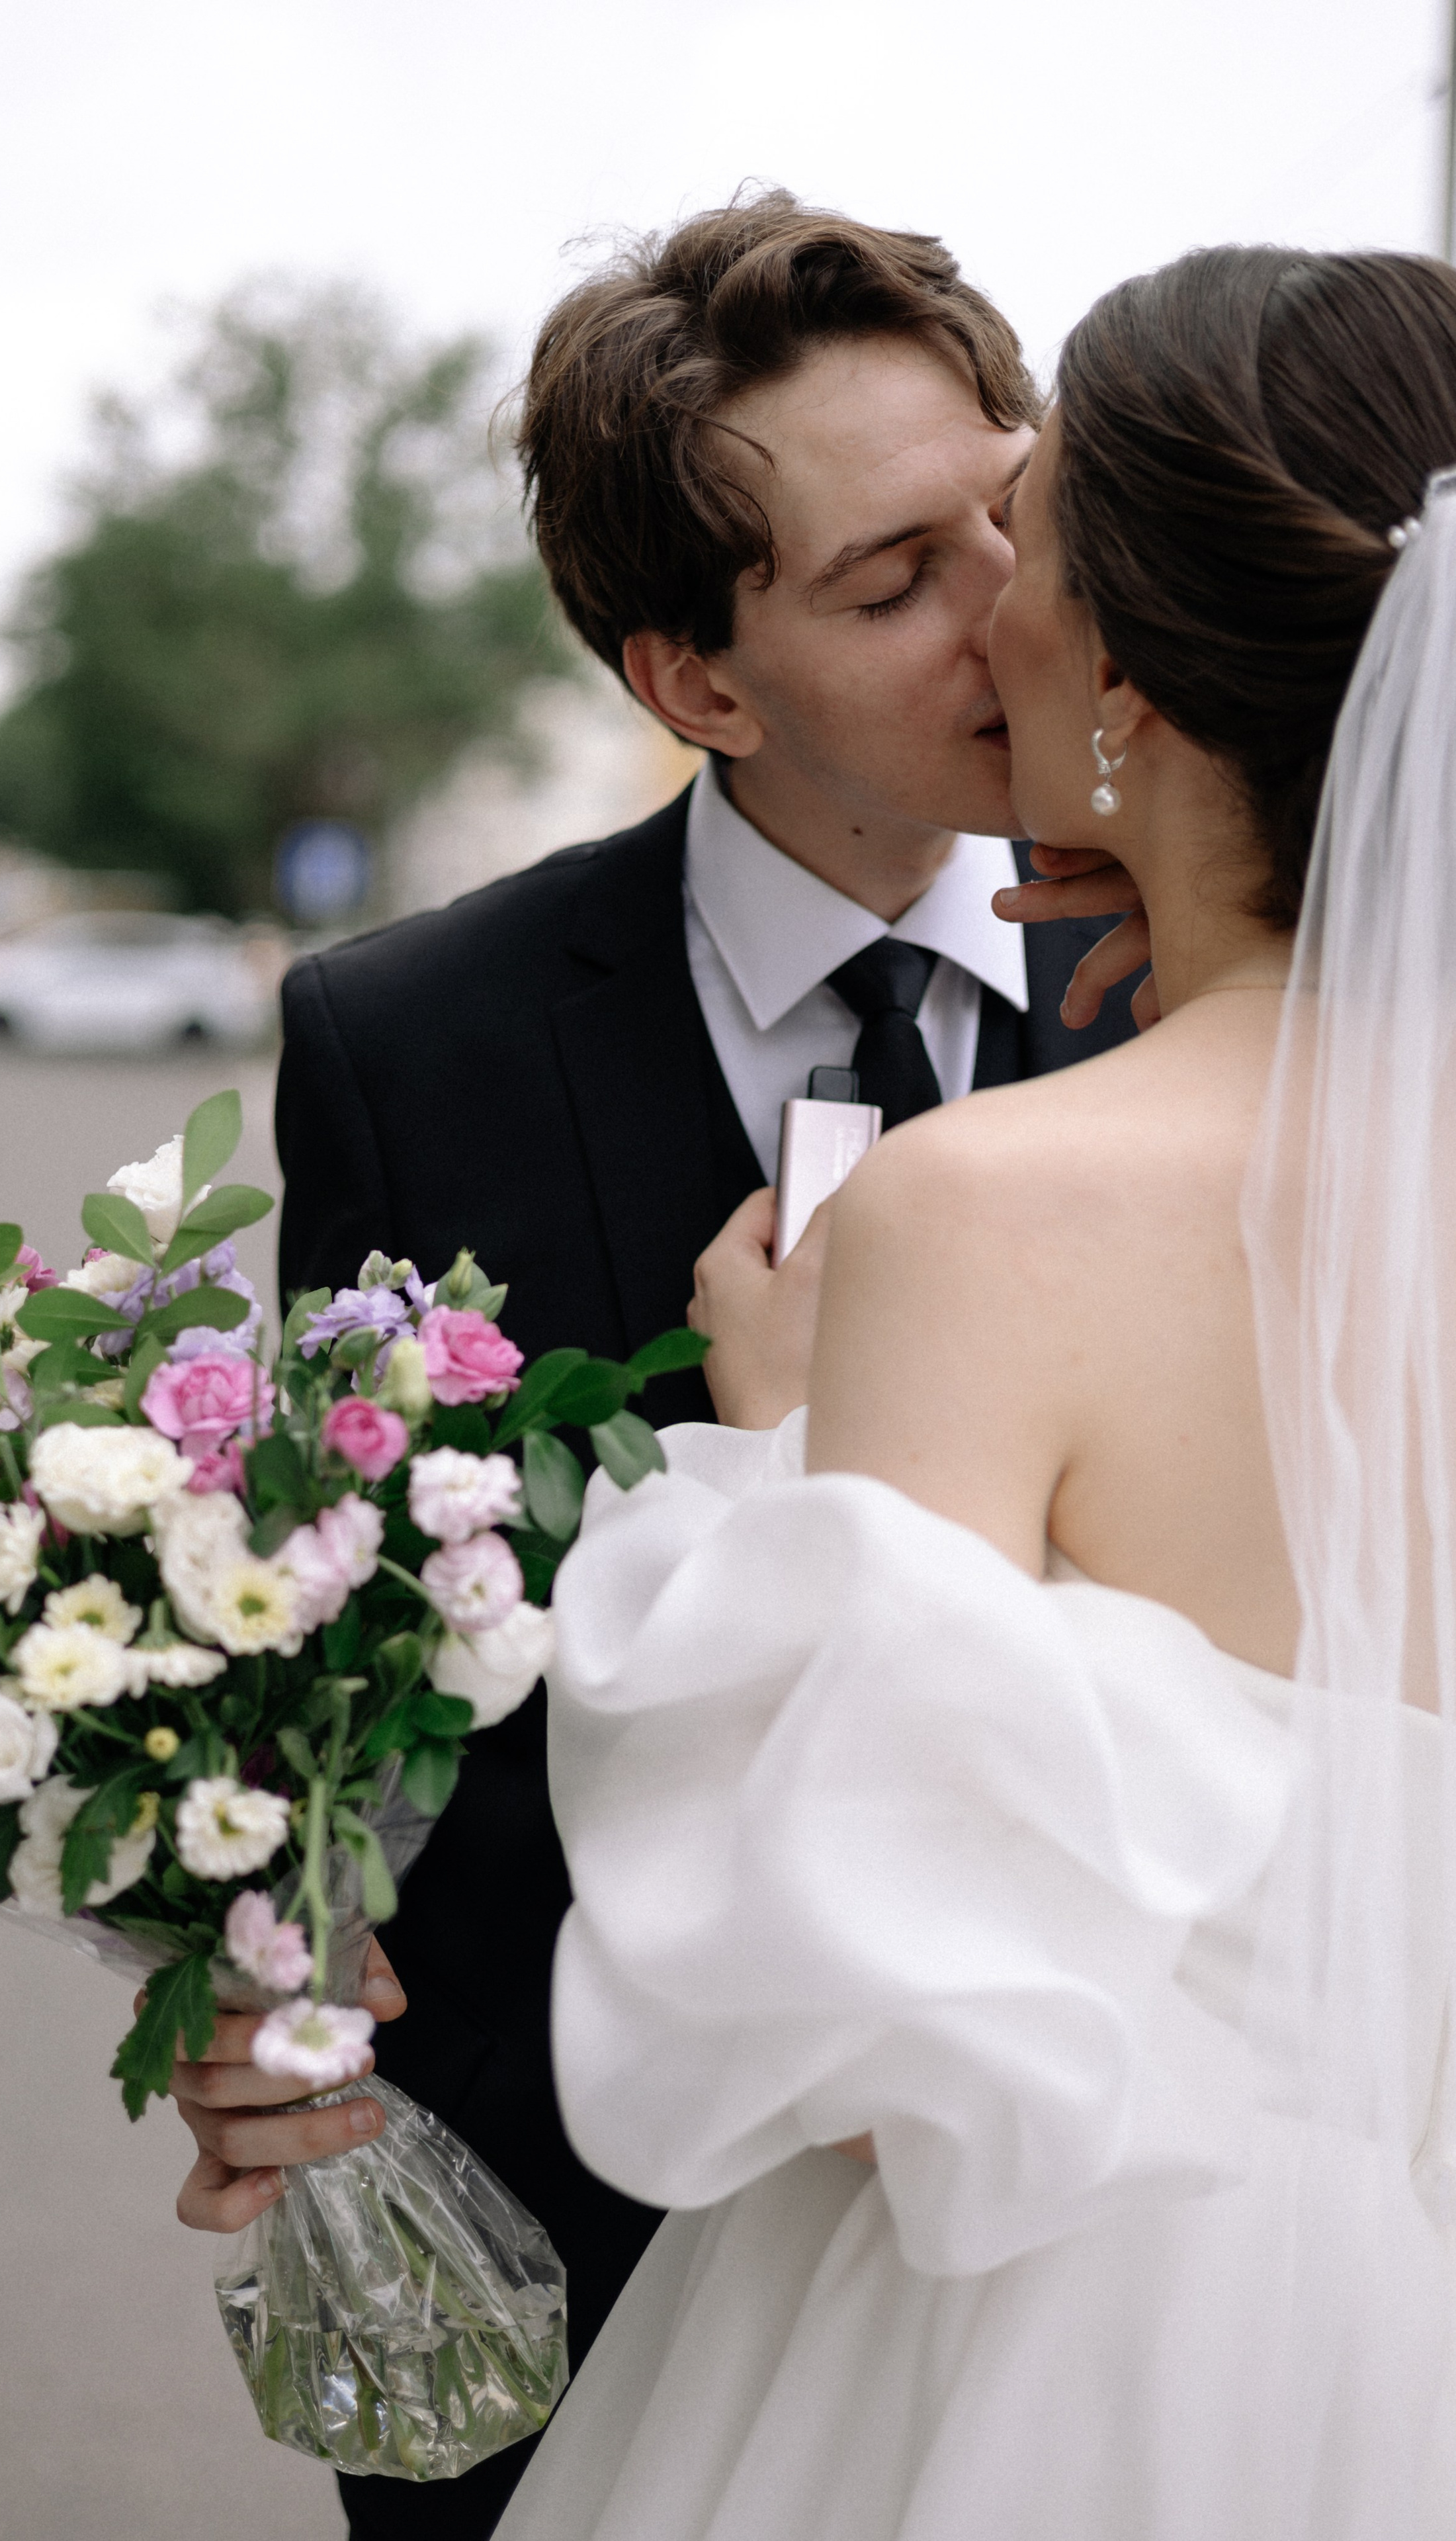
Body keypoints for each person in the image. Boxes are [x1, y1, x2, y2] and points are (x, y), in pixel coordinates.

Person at [167, 192, 1140, 2541]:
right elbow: (343, 1651)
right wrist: (259, 1958)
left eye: (1008, 515)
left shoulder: (1218, 988)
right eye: (890, 585)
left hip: (1094, 2227)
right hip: (580, 2242)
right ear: (698, 684)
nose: (1008, 608)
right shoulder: (413, 1042)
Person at [488, 245, 1456, 2541]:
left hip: (1082, 2332)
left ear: (1117, 672)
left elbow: (860, 2060)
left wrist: (777, 1452)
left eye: (1025, 529)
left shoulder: (981, 1216)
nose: (985, 602)